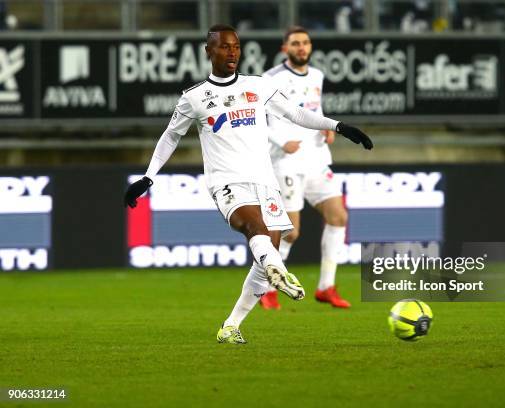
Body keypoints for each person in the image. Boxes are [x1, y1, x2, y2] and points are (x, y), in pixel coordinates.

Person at [123, 24, 373, 344]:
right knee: (255, 230)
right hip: (226, 181)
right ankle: (277, 272)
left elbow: (296, 115)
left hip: (264, 181)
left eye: (237, 47)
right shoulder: (195, 97)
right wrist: (148, 176)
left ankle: (232, 325)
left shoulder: (258, 85)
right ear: (208, 51)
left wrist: (339, 126)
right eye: (225, 47)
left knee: (268, 245)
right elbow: (170, 136)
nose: (232, 53)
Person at [259, 26, 351, 310]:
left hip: (317, 158)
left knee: (338, 217)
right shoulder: (270, 79)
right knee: (291, 232)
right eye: (295, 43)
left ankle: (326, 287)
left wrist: (326, 128)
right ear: (285, 48)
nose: (302, 47)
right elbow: (256, 118)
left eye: (305, 43)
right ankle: (266, 286)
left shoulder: (317, 76)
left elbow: (314, 108)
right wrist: (280, 140)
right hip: (286, 161)